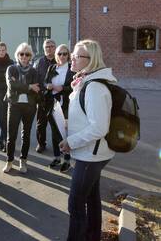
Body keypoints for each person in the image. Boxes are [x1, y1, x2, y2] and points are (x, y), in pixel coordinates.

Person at [59, 39, 116, 241]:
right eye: (72, 54)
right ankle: (92, 236)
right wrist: (69, 123)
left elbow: (100, 127)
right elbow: (88, 117)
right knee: (91, 198)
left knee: (75, 203)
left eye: (76, 55)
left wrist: (71, 141)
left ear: (91, 60)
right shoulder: (87, 81)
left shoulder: (94, 87)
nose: (71, 58)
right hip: (92, 151)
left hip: (91, 154)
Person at [3, 43, 40, 173]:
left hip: (29, 106)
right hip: (14, 105)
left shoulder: (34, 71)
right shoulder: (11, 69)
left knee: (26, 135)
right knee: (11, 135)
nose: (24, 56)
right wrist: (29, 86)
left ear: (30, 56)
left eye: (27, 54)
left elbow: (37, 89)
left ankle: (23, 161)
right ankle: (9, 161)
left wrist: (22, 86)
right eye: (21, 54)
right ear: (17, 55)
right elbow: (12, 86)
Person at [44, 44, 75, 173]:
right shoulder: (52, 67)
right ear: (56, 56)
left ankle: (67, 160)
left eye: (64, 54)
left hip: (66, 104)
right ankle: (57, 157)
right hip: (52, 103)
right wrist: (48, 86)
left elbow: (75, 86)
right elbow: (45, 82)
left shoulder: (71, 69)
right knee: (54, 131)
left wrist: (63, 88)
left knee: (65, 132)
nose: (62, 56)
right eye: (59, 54)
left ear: (68, 55)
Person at [34, 39, 57, 153]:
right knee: (41, 124)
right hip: (42, 98)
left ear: (55, 48)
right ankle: (41, 143)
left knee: (56, 124)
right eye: (47, 47)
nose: (49, 48)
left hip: (56, 98)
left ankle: (58, 145)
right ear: (44, 49)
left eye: (52, 46)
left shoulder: (59, 61)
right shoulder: (38, 62)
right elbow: (35, 79)